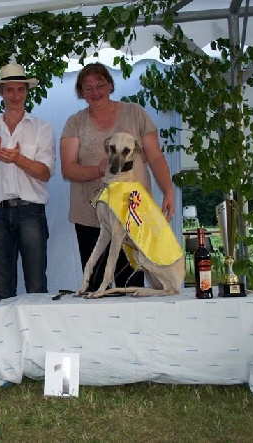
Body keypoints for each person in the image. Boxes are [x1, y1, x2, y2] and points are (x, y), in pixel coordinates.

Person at [59, 62, 175, 292]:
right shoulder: (75, 122)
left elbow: (156, 156)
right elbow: (68, 169)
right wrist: (98, 171)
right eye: (88, 88)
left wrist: (168, 191)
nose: (95, 92)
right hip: (91, 217)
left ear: (111, 85)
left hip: (133, 214)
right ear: (81, 93)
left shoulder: (135, 113)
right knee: (94, 286)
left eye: (100, 85)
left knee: (132, 286)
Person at [0, 63, 56, 302]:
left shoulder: (43, 128)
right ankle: (6, 338)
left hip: (31, 212)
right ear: (1, 92)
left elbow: (45, 173)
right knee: (2, 286)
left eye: (20, 90)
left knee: (36, 283)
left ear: (27, 92)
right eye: (10, 90)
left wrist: (18, 159)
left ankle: (37, 338)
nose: (15, 95)